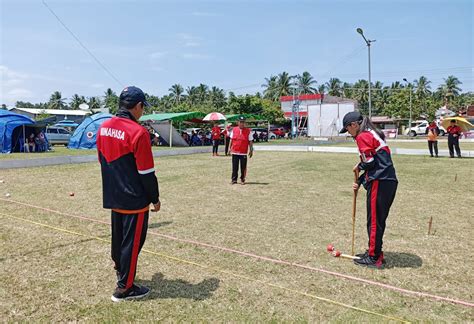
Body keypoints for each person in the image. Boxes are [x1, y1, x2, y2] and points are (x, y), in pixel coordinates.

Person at [97, 86, 161, 302]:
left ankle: (120, 269)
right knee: (132, 243)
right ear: (138, 106)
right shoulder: (138, 132)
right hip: (135, 199)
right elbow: (146, 173)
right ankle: (124, 288)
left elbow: (102, 160)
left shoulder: (103, 127)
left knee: (118, 240)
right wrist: (155, 198)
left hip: (113, 194)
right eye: (143, 107)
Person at [339, 111, 398, 269]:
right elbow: (375, 163)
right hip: (386, 180)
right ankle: (375, 251)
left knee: (373, 221)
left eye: (348, 129)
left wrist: (359, 166)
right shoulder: (371, 133)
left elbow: (370, 162)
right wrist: (360, 180)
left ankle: (373, 257)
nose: (349, 133)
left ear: (354, 125)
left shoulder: (362, 136)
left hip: (380, 181)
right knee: (377, 220)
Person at [229, 116, 253, 185]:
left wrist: (251, 150)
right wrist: (229, 148)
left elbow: (250, 141)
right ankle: (234, 180)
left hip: (243, 152)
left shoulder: (248, 131)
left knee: (243, 167)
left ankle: (242, 179)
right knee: (234, 167)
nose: (242, 123)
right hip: (235, 151)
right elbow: (231, 140)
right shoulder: (234, 130)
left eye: (243, 122)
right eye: (240, 122)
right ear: (238, 122)